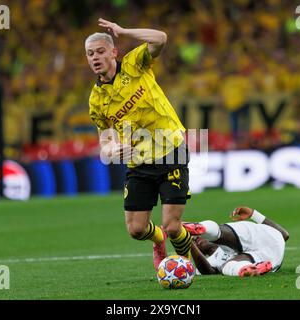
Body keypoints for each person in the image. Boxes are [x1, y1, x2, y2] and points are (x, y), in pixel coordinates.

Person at [85, 18, 192, 271]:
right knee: (136, 229)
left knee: (173, 225)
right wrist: (114, 150)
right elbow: (105, 143)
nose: (95, 58)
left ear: (114, 52)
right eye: (90, 54)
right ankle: (158, 240)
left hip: (169, 152)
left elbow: (161, 38)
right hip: (138, 162)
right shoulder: (96, 100)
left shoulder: (135, 64)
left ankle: (186, 265)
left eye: (100, 51)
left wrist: (123, 31)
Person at [183, 206, 289, 277]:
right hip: (268, 258)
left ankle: (196, 227)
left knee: (222, 233)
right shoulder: (212, 261)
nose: (196, 240)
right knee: (227, 266)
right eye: (194, 240)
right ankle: (248, 269)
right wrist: (190, 244)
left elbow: (284, 235)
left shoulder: (227, 238)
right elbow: (207, 272)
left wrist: (254, 214)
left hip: (262, 236)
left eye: (196, 237)